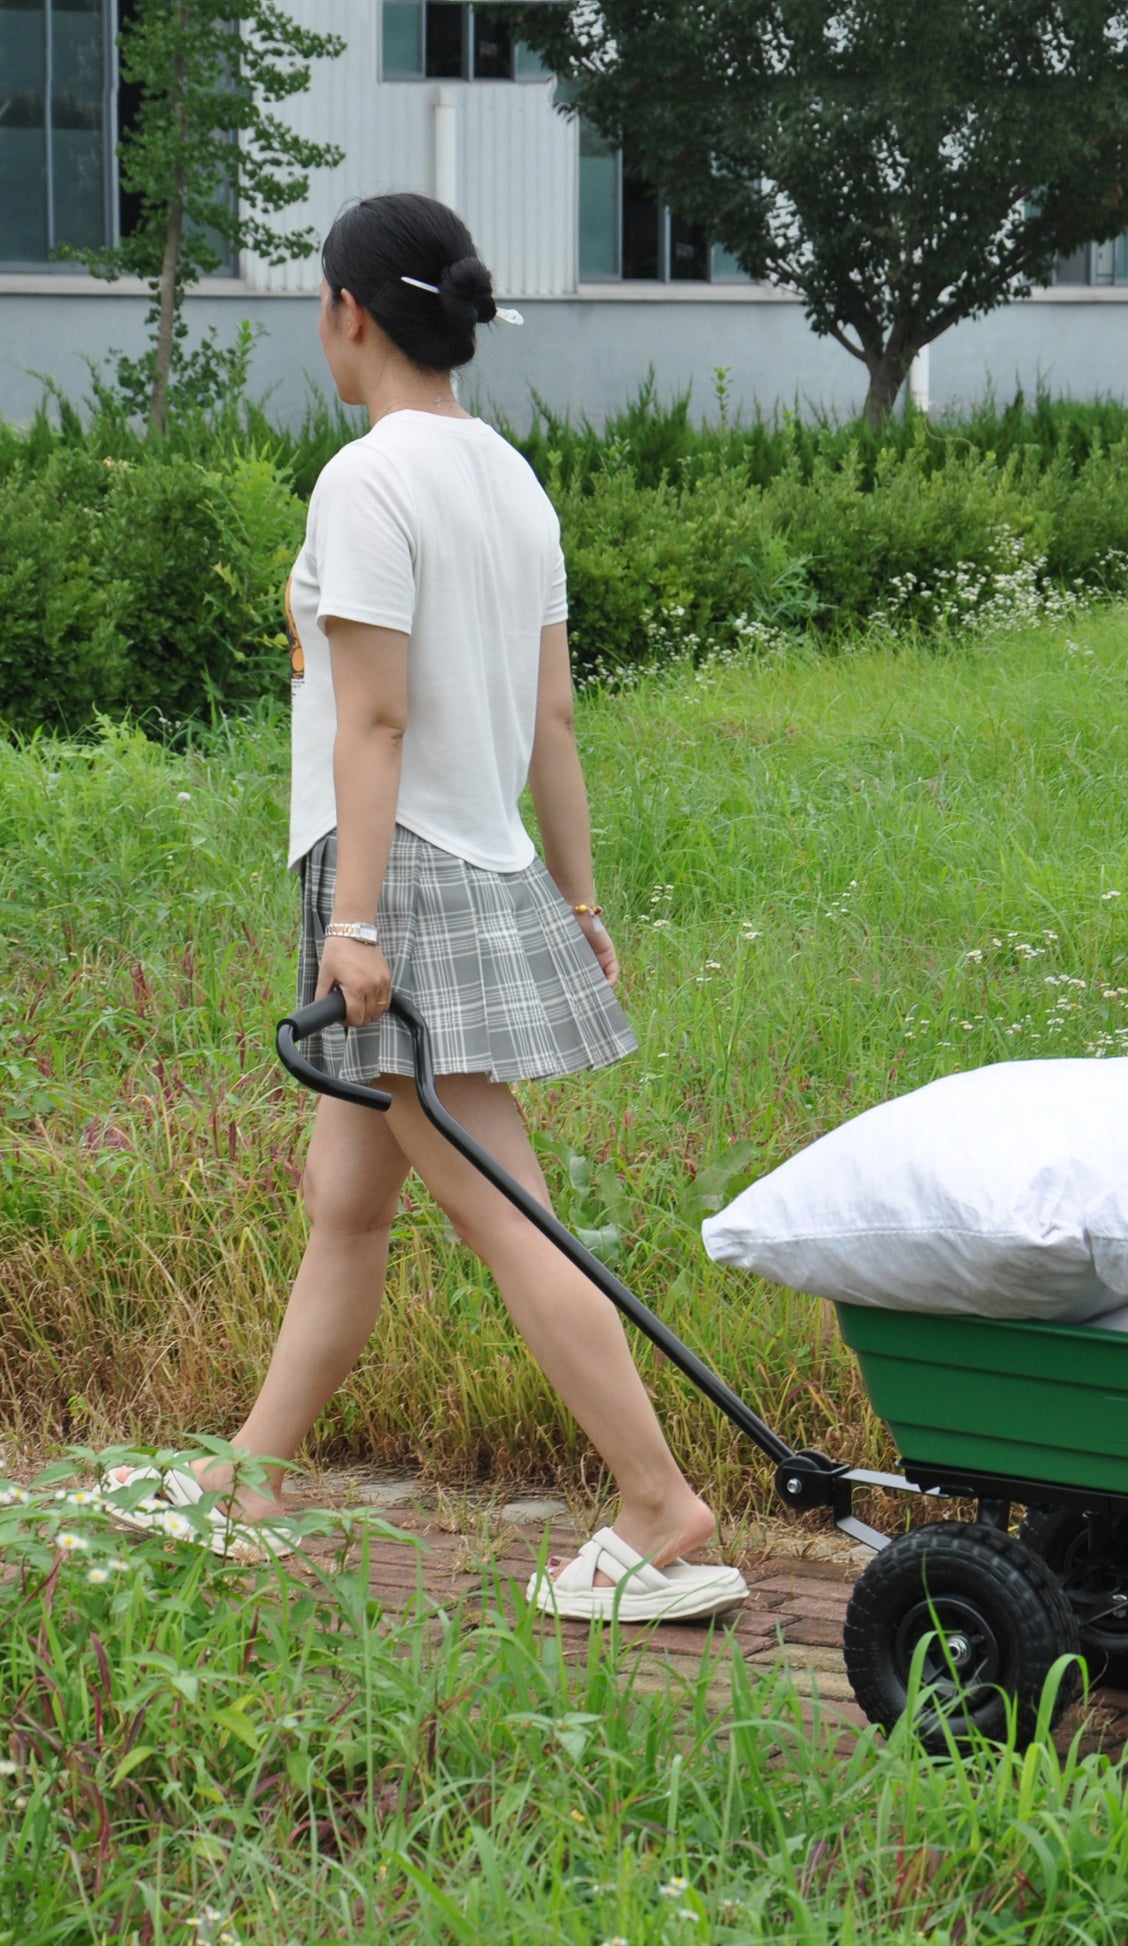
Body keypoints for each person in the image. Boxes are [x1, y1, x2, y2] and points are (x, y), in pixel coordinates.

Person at [111, 192, 744, 1625]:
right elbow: (556, 719)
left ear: (349, 310)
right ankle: (252, 1479)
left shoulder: (367, 479)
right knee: (346, 1199)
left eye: (312, 308)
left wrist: (354, 922)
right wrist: (578, 894)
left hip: (396, 886)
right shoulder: (511, 476)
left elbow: (374, 719)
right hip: (486, 863)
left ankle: (658, 1508)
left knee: (501, 1200)